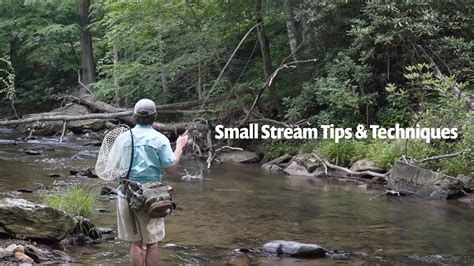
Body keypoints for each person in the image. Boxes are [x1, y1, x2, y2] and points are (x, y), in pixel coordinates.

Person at [116, 98, 188, 266]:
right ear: (154, 116)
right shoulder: (159, 139)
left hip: (125, 194)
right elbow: (170, 168)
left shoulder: (123, 139)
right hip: (151, 197)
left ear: (134, 116)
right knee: (152, 242)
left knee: (134, 243)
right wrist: (179, 146)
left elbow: (116, 168)